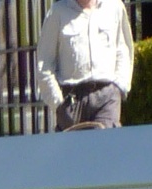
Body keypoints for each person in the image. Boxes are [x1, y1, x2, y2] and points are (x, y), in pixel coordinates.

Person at [35, 0, 135, 131]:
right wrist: (58, 104)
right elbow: (44, 65)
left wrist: (119, 88)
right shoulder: (57, 13)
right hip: (72, 100)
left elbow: (123, 51)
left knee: (106, 143)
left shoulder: (115, 7)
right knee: (75, 144)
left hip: (107, 97)